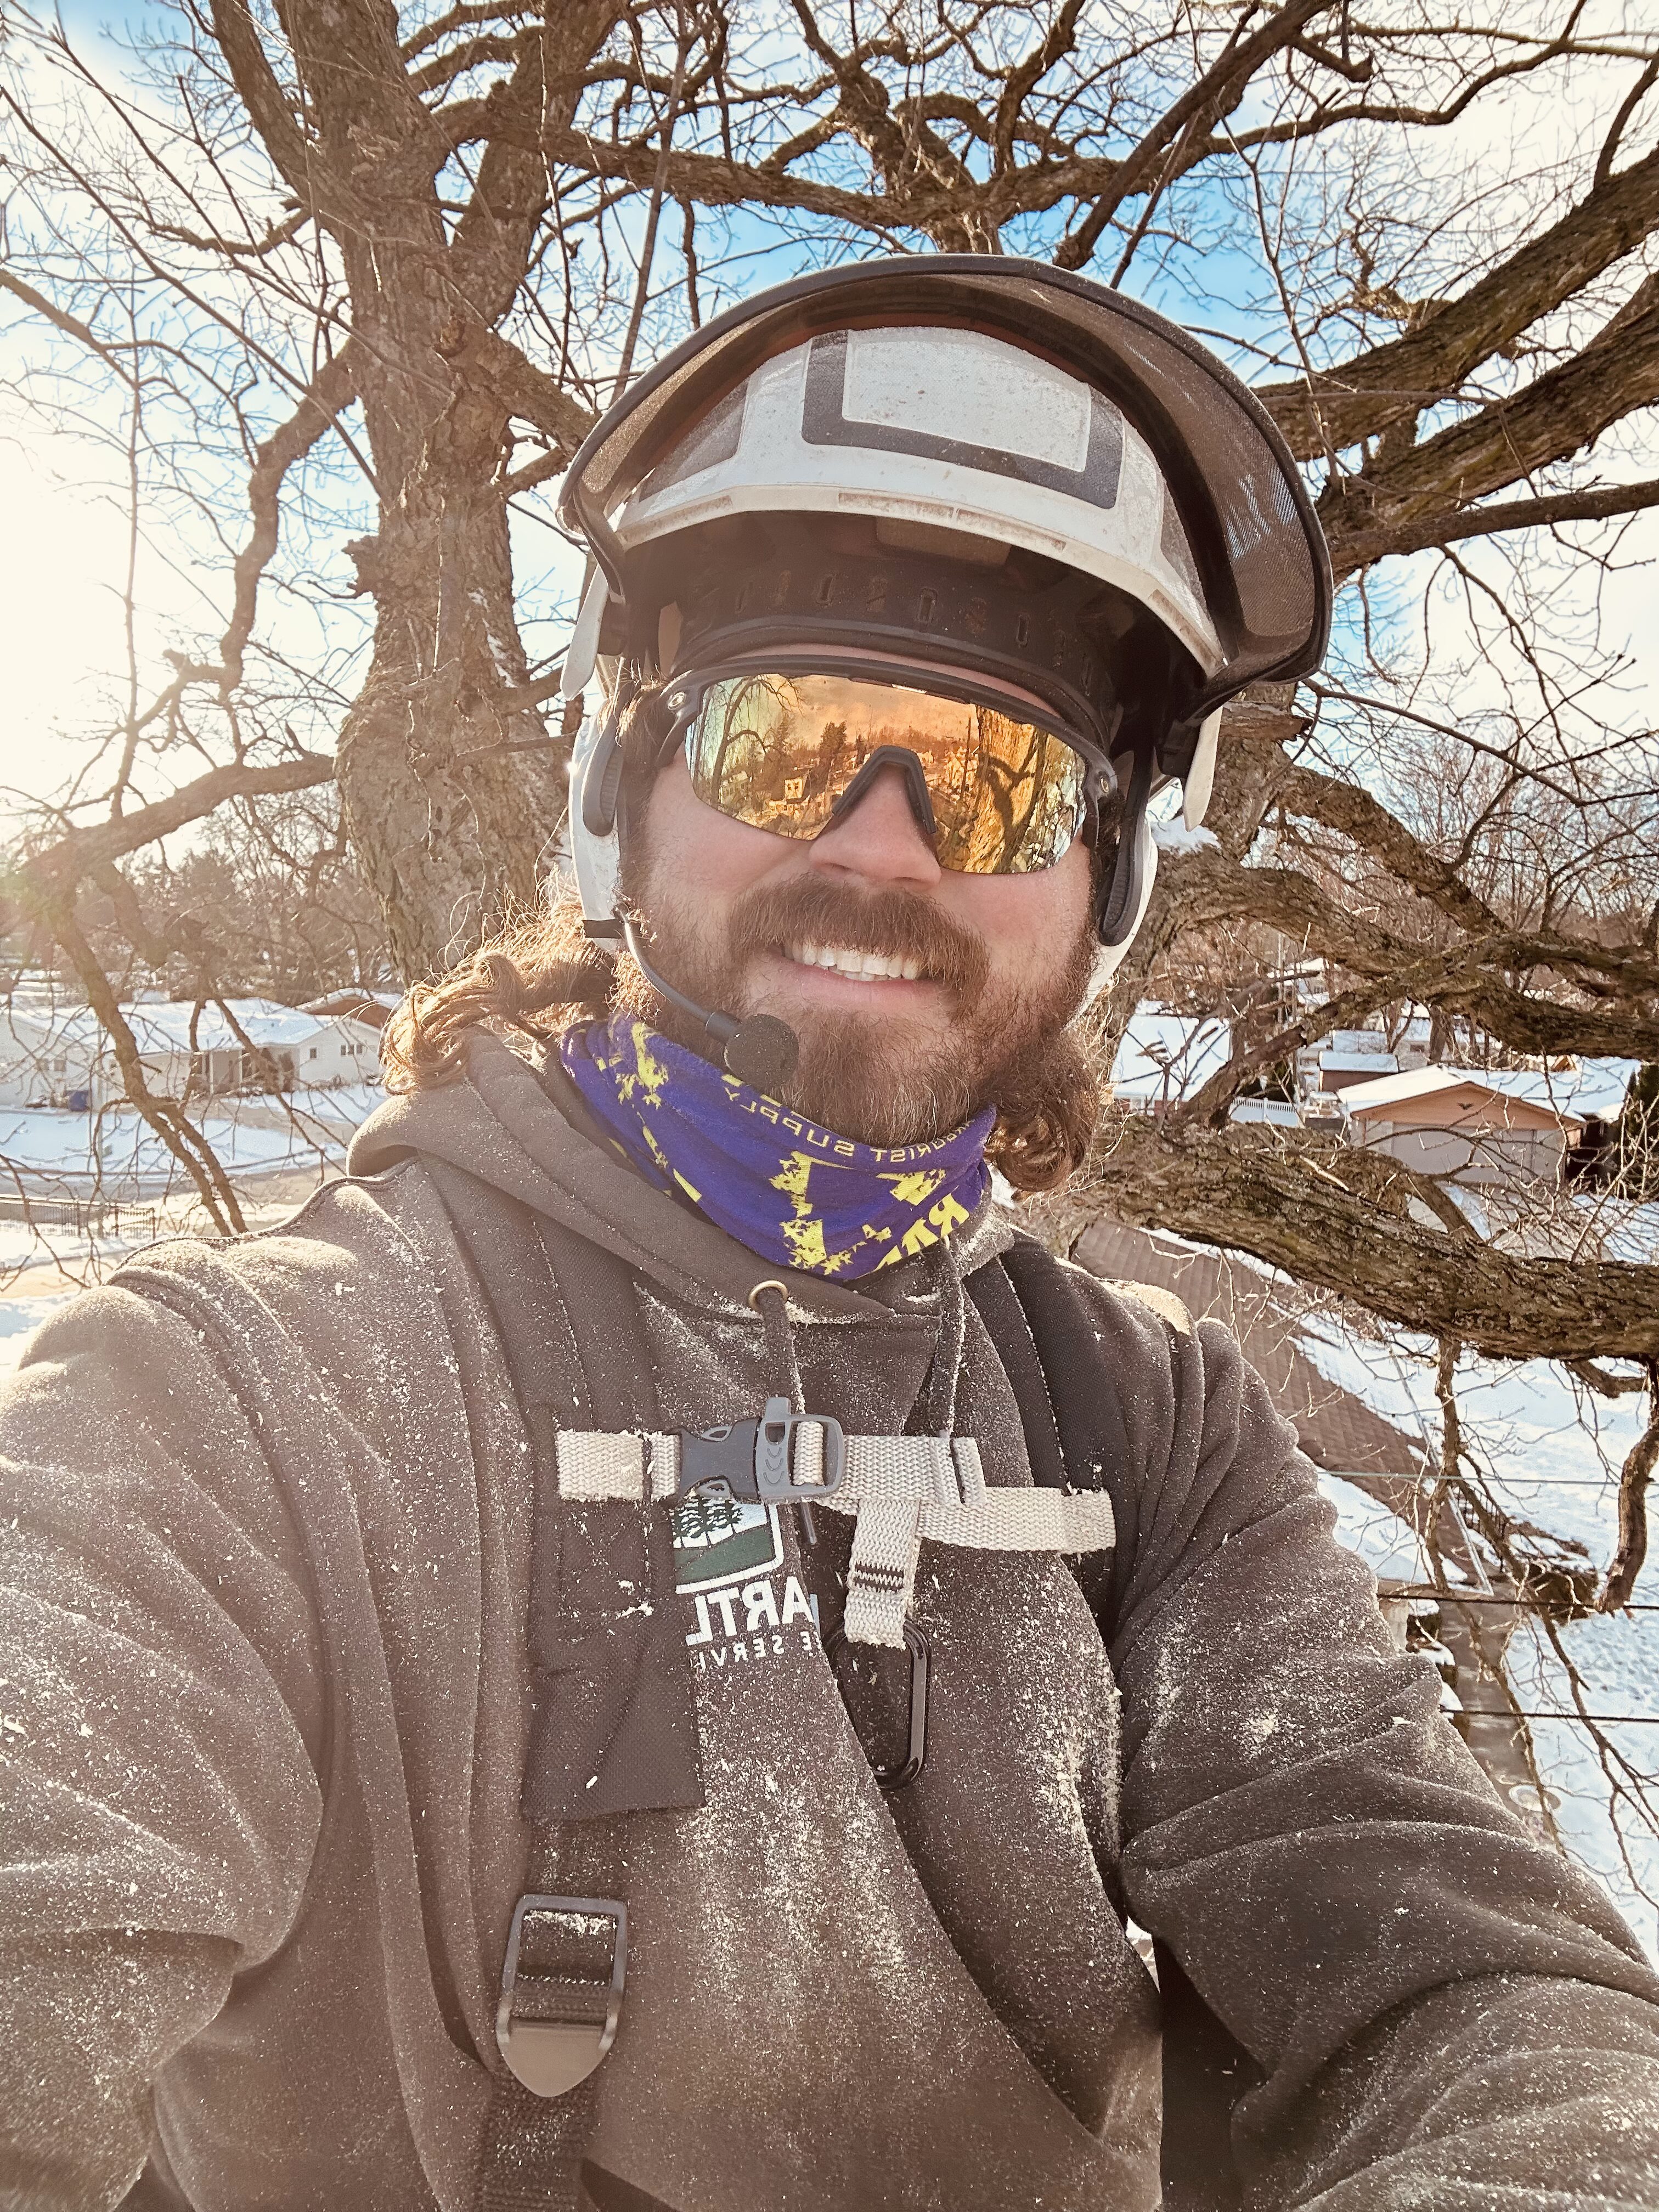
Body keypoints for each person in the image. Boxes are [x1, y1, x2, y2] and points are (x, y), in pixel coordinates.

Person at [2, 257, 1656, 2212]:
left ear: (1109, 879)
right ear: (627, 784)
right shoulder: (238, 1406)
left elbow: (1462, 1976)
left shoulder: (1157, 1429)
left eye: (995, 777)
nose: (878, 840)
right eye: (788, 740)